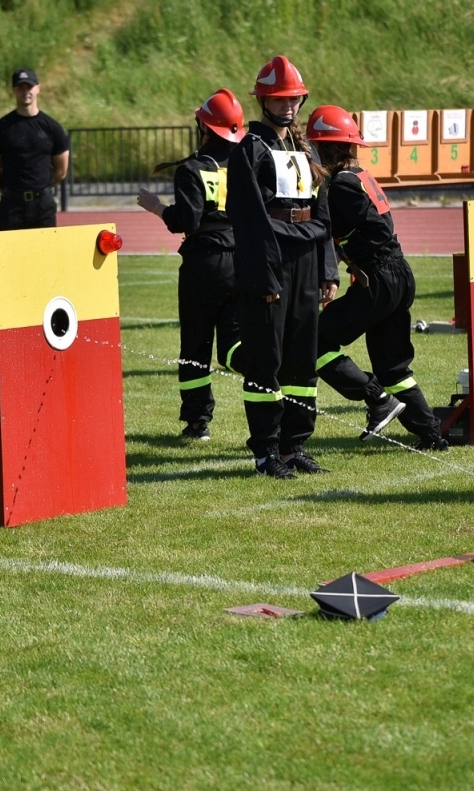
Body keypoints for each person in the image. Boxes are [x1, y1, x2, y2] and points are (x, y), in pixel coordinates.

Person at [304, 104, 449, 451]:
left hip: (378, 279)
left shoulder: (340, 186)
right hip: (398, 275)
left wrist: (343, 257)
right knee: (393, 365)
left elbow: (363, 232)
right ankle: (432, 436)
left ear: (326, 147)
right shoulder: (361, 177)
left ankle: (376, 399)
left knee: (314, 341)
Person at [228, 55, 338, 479]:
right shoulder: (249, 150)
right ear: (263, 102)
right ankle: (266, 452)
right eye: (279, 99)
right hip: (272, 263)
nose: (288, 105)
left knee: (301, 359)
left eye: (293, 98)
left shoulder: (304, 148)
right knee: (266, 358)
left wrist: (327, 270)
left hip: (307, 260)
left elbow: (322, 212)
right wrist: (264, 277)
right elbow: (250, 220)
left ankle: (294, 447)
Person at [137, 88, 248, 442]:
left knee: (196, 346)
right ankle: (269, 374)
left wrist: (156, 206)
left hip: (204, 265)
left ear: (203, 126)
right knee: (234, 346)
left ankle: (198, 422)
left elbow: (184, 220)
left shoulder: (192, 169)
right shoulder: (246, 166)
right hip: (242, 262)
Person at [0, 68, 71, 345]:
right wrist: (12, 191)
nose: (25, 91)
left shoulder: (51, 127)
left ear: (38, 89)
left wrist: (39, 190)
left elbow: (60, 170)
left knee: (46, 267)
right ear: (13, 90)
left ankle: (47, 328)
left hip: (41, 207)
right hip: (11, 205)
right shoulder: (2, 127)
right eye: (20, 87)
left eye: (29, 86)